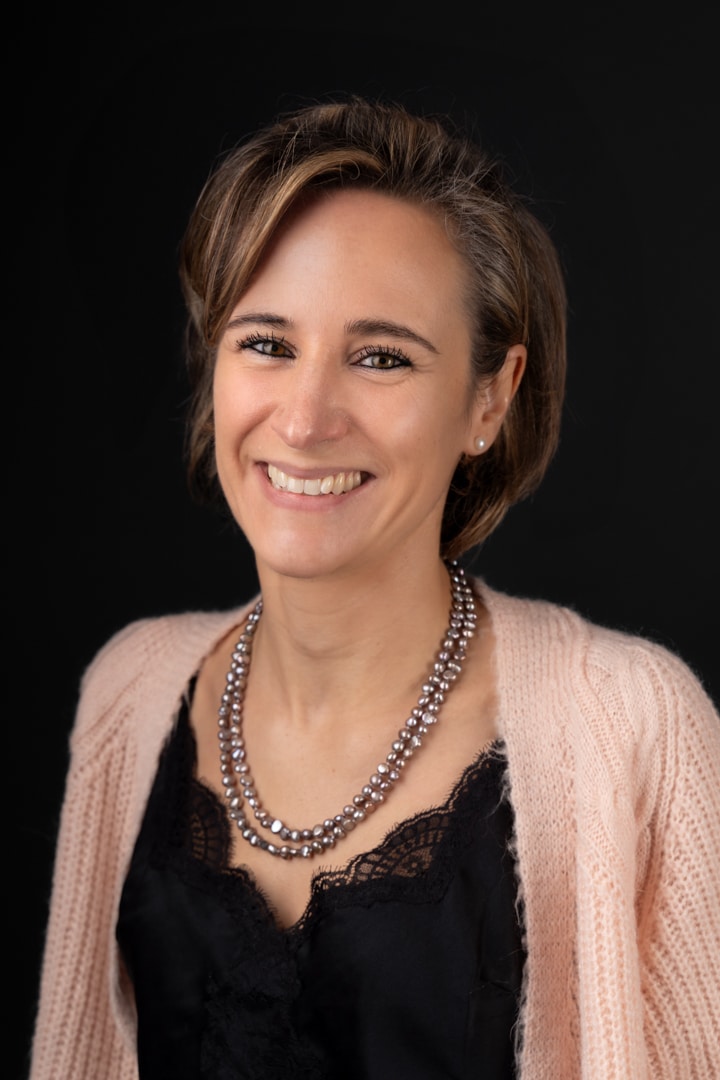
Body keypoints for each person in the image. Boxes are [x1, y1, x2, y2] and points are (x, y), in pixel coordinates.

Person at [30, 97, 719, 1079]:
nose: (306, 419)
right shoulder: (131, 692)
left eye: (382, 357)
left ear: (490, 396)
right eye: (266, 343)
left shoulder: (634, 722)